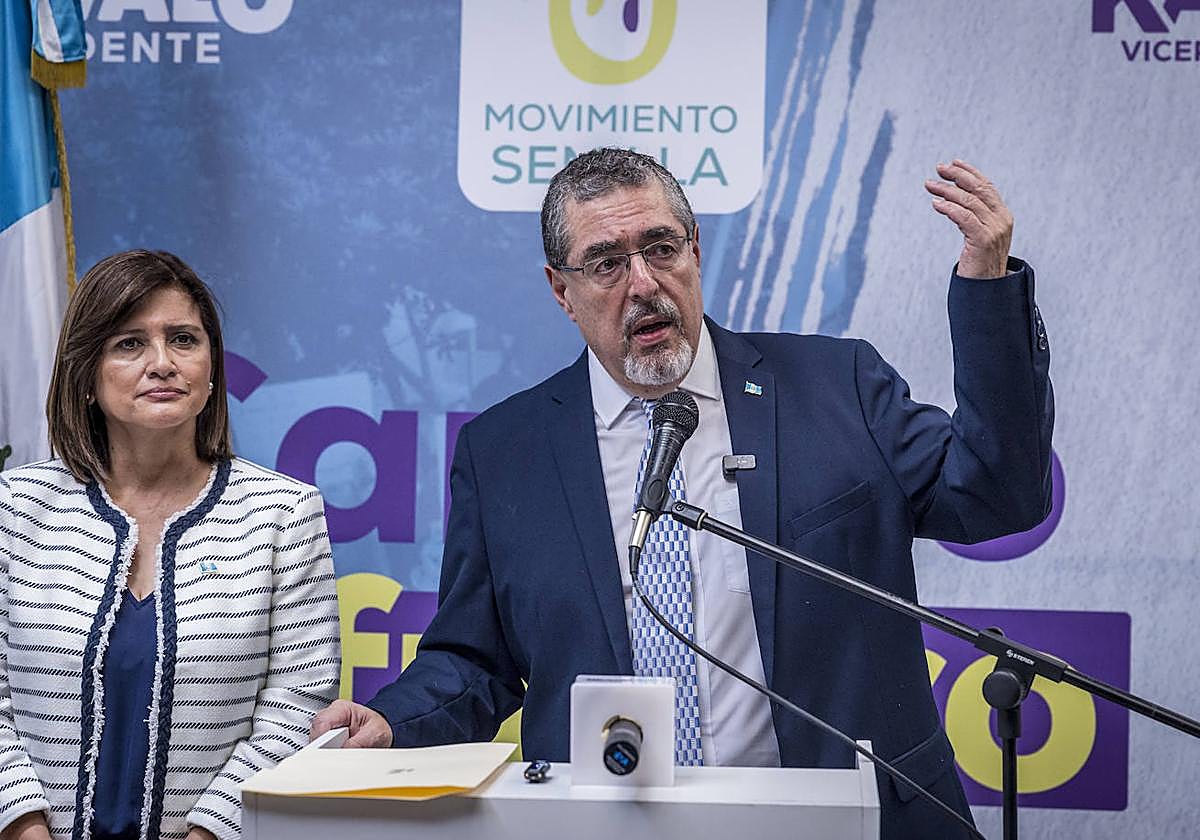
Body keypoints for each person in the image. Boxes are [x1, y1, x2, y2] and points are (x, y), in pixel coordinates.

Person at [311, 149, 1053, 838]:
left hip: (849, 818)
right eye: (605, 263)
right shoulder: (506, 452)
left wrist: (986, 292)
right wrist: (391, 724)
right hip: (616, 824)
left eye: (661, 249)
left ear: (695, 251)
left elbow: (998, 496)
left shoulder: (839, 388)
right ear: (560, 290)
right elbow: (475, 659)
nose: (642, 283)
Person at [0, 251, 341, 840]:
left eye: (183, 339)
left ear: (211, 371)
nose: (162, 364)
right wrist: (23, 828)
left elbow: (296, 706)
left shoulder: (284, 514)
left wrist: (209, 834)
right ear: (86, 374)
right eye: (129, 344)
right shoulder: (13, 508)